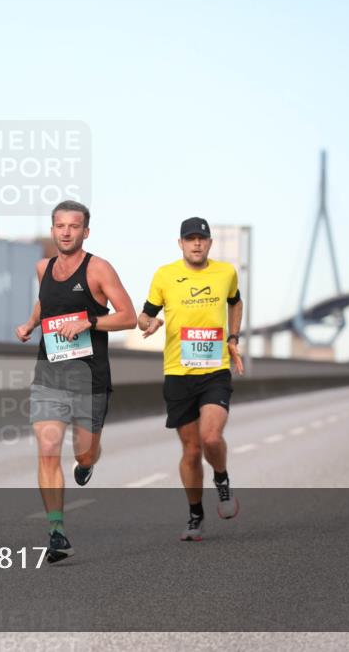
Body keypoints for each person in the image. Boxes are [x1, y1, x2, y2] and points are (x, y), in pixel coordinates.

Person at [15, 200, 136, 563]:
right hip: (49, 373)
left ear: (86, 231)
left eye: (74, 226)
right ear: (52, 229)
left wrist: (91, 322)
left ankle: (87, 464)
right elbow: (44, 301)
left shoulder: (99, 269)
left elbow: (128, 316)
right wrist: (31, 323)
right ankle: (56, 531)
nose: (66, 232)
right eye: (60, 226)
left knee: (84, 452)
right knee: (48, 449)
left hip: (90, 378)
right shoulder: (43, 267)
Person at [137, 217, 243, 542]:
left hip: (215, 370)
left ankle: (222, 481)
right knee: (192, 450)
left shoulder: (226, 272)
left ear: (210, 243)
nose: (196, 243)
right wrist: (149, 324)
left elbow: (235, 303)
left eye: (202, 238)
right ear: (180, 244)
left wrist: (234, 337)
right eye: (190, 239)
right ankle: (195, 514)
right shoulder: (165, 275)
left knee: (211, 437)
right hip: (178, 373)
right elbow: (144, 314)